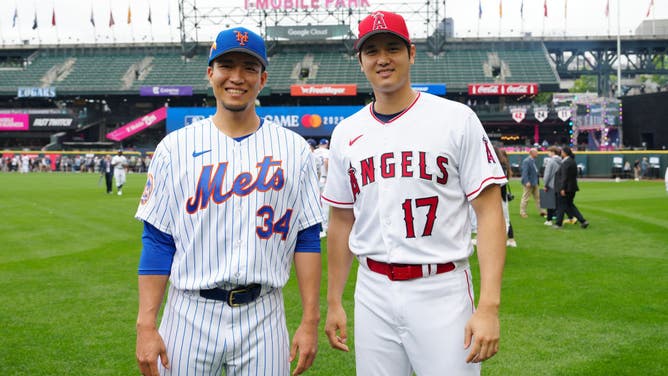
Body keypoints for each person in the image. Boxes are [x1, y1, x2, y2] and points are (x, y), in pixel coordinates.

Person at [322, 11, 507, 375]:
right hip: (372, 288)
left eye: (393, 47)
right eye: (371, 51)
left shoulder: (456, 118)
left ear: (411, 53)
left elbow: (489, 212)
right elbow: (342, 220)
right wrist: (333, 301)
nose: (383, 58)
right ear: (361, 61)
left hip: (442, 287)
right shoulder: (346, 133)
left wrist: (488, 307)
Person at [134, 27, 324, 376]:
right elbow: (158, 240)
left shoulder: (295, 150)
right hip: (190, 311)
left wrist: (310, 320)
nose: (236, 77)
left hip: (264, 312)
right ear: (210, 73)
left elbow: (308, 238)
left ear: (263, 78)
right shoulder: (174, 148)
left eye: (249, 68)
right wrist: (146, 326)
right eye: (226, 66)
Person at [552, 147, 589, 229]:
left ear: (565, 153)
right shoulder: (572, 161)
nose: (561, 154)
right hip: (572, 188)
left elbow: (564, 177)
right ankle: (583, 221)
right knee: (570, 205)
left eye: (562, 152)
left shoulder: (566, 162)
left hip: (566, 188)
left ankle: (558, 224)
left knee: (561, 205)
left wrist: (562, 188)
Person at [496, 147, 517, 247]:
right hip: (499, 195)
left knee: (505, 219)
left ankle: (509, 239)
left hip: (500, 196)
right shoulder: (503, 165)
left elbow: (501, 182)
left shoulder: (501, 166)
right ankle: (510, 239)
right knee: (503, 218)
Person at [519, 148, 544, 218]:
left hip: (535, 182)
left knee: (538, 198)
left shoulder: (533, 161)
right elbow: (524, 172)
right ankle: (522, 212)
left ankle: (541, 211)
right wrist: (526, 181)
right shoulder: (526, 161)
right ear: (531, 153)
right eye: (536, 152)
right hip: (529, 182)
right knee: (526, 198)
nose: (537, 154)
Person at [313, 138, 330, 238]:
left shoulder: (314, 152)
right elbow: (327, 162)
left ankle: (318, 227)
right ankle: (324, 228)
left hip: (316, 179)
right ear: (326, 144)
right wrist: (328, 175)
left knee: (316, 204)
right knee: (325, 205)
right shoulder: (327, 152)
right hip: (324, 179)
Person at [541, 146, 561, 226]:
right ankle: (557, 217)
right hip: (559, 184)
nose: (548, 153)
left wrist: (545, 184)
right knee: (558, 203)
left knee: (549, 203)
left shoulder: (551, 161)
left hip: (550, 184)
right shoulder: (561, 160)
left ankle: (549, 220)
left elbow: (547, 174)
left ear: (553, 152)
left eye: (549, 151)